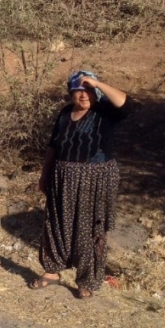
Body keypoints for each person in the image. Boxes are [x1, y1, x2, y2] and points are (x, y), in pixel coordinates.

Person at [30, 71, 132, 299]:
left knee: (89, 230)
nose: (84, 95)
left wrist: (97, 82)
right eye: (79, 90)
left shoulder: (104, 112)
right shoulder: (65, 114)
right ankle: (52, 271)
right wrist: (44, 175)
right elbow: (53, 146)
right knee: (57, 224)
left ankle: (87, 279)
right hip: (62, 176)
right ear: (71, 93)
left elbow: (125, 103)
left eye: (89, 90)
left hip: (95, 179)